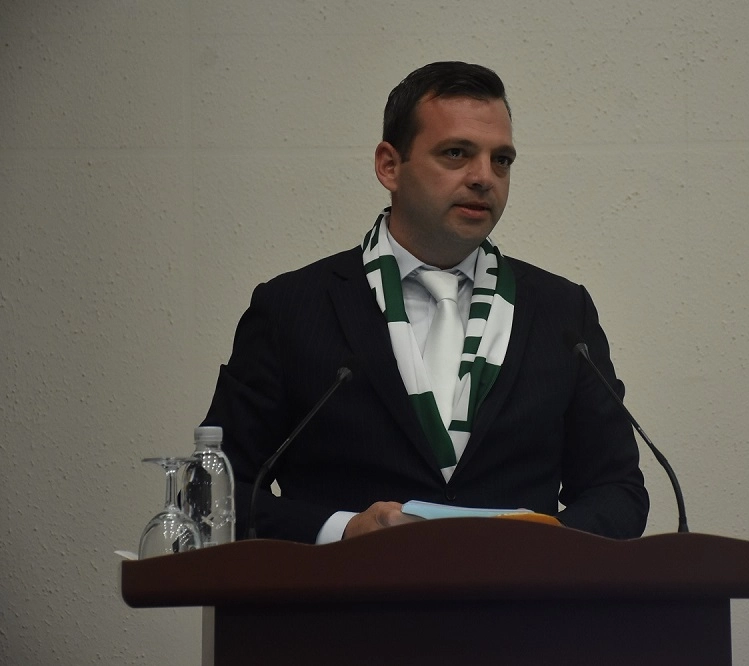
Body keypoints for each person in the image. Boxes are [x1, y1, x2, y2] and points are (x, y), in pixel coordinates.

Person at [203, 61, 649, 543]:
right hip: (349, 591)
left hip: (521, 592)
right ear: (389, 166)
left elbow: (617, 489)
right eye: (456, 153)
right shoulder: (292, 309)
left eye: (501, 160)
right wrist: (343, 531)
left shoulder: (562, 312)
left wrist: (542, 547)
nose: (484, 177)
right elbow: (215, 493)